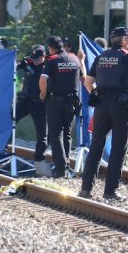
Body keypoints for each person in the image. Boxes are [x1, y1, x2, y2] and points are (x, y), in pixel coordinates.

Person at [78, 26, 128, 201]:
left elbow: (88, 82)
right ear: (123, 40)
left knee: (96, 146)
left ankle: (85, 189)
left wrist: (96, 93)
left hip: (101, 105)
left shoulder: (101, 57)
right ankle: (110, 191)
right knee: (118, 148)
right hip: (121, 106)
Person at [40, 36, 82, 178]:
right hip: (71, 102)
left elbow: (43, 81)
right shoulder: (74, 58)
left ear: (51, 48)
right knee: (67, 133)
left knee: (55, 134)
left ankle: (61, 169)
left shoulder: (51, 60)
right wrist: (82, 60)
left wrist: (43, 94)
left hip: (55, 101)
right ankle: (66, 165)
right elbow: (83, 77)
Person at [16, 44, 49, 173]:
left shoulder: (48, 66)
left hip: (40, 103)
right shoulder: (28, 61)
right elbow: (15, 66)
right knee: (9, 120)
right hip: (25, 100)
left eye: (37, 58)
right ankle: (3, 148)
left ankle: (39, 159)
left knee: (42, 133)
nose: (34, 61)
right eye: (33, 57)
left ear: (44, 56)